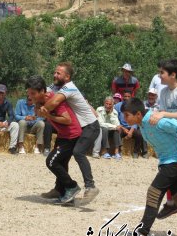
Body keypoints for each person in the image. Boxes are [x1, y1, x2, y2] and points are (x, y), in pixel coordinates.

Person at [122, 98, 177, 236]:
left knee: (154, 192)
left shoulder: (157, 120)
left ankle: (142, 231)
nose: (124, 118)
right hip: (166, 162)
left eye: (127, 115)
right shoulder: (142, 125)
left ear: (138, 114)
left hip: (173, 162)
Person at [41, 62, 100, 202]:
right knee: (63, 159)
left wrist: (43, 110)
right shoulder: (57, 86)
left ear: (67, 77)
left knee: (78, 152)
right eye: (55, 72)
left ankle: (91, 186)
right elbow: (44, 91)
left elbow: (53, 102)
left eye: (58, 73)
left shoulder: (69, 87)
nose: (55, 75)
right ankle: (60, 190)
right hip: (81, 127)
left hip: (90, 126)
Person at [27, 76, 82, 204]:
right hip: (63, 135)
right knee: (61, 163)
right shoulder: (41, 100)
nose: (30, 96)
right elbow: (39, 110)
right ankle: (61, 192)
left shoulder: (53, 100)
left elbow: (67, 119)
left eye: (33, 93)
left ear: (42, 91)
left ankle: (71, 186)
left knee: (51, 162)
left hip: (71, 135)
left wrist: (48, 115)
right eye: (29, 93)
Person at [150, 59, 177, 219]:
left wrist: (163, 114)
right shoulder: (163, 92)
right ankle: (173, 202)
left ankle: (172, 202)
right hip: (173, 138)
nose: (159, 76)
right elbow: (160, 113)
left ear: (173, 75)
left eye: (162, 73)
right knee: (173, 170)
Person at [114, 90, 147, 159]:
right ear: (123, 97)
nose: (126, 98)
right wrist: (123, 128)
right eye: (125, 96)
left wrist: (131, 131)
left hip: (132, 127)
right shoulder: (117, 106)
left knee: (140, 135)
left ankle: (136, 152)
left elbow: (136, 120)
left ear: (131, 97)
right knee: (117, 133)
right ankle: (119, 152)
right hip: (122, 127)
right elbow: (115, 118)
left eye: (128, 96)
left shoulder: (134, 106)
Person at [0, 84, 19, 155]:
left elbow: (11, 115)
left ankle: (12, 147)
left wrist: (8, 122)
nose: (0, 94)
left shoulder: (8, 103)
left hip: (3, 123)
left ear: (5, 93)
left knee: (15, 124)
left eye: (2, 92)